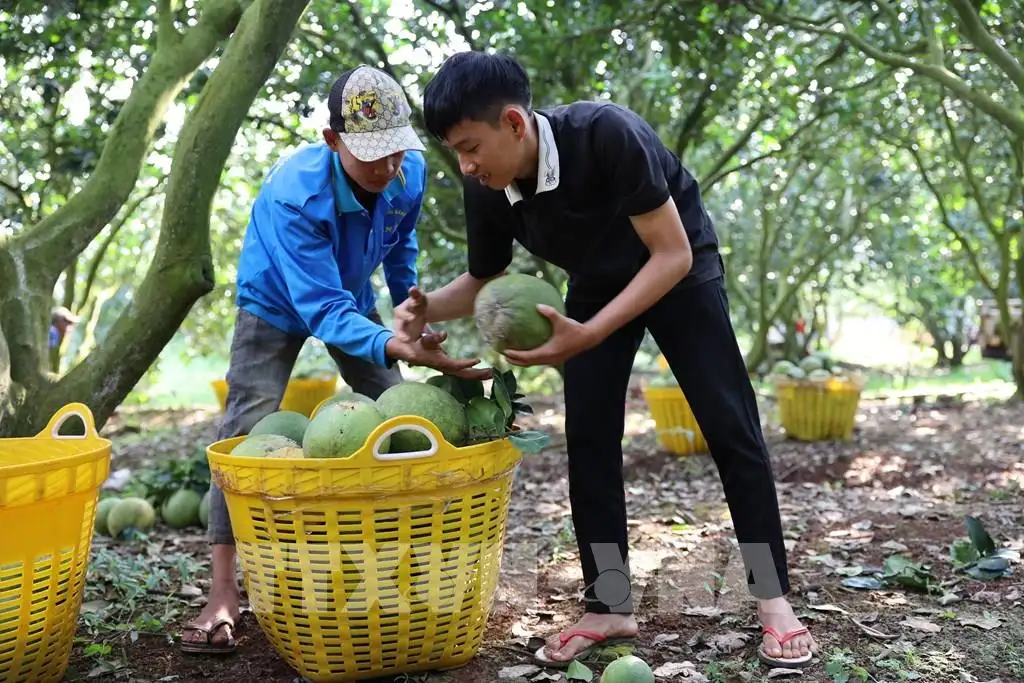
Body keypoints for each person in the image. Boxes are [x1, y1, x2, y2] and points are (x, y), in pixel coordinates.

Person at [392, 51, 819, 670]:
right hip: (593, 280)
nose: (465, 164)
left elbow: (669, 254)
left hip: (680, 272)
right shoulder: (486, 184)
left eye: (470, 146)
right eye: (456, 152)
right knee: (589, 437)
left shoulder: (608, 135)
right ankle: (609, 603)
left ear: (514, 123)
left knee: (730, 430)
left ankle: (773, 598)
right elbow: (484, 277)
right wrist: (427, 307)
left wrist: (589, 333)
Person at [180, 64, 488, 655]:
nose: (388, 168)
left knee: (395, 408)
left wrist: (410, 306)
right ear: (332, 141)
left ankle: (405, 558)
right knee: (243, 430)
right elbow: (321, 311)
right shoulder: (296, 198)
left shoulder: (407, 170)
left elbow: (401, 243)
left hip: (347, 295)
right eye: (372, 156)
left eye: (396, 152)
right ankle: (222, 590)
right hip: (274, 301)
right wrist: (391, 339)